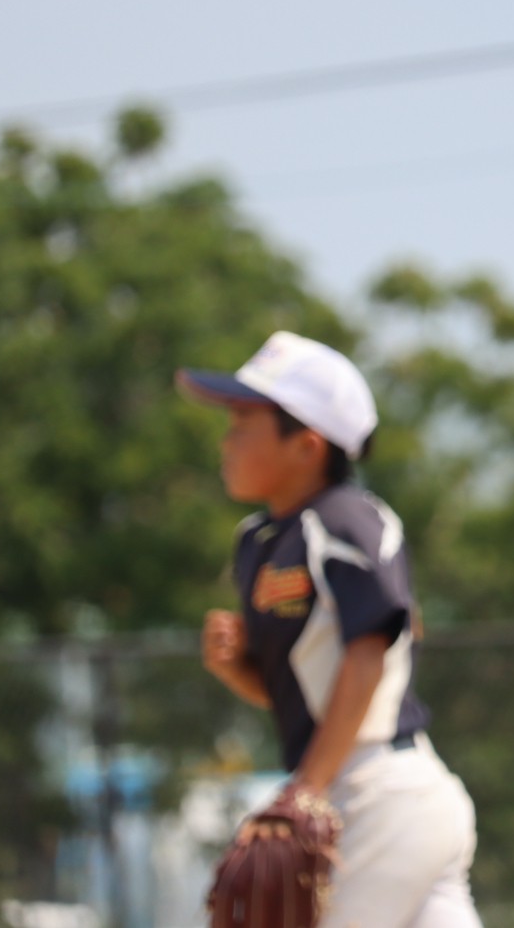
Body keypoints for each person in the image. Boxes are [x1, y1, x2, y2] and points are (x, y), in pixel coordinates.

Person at [178, 331, 483, 927]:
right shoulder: (257, 542)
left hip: (376, 790)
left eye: (244, 423)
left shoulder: (347, 521)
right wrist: (237, 669)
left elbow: (370, 650)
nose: (227, 441)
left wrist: (306, 788)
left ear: (307, 445)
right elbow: (309, 697)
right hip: (363, 786)